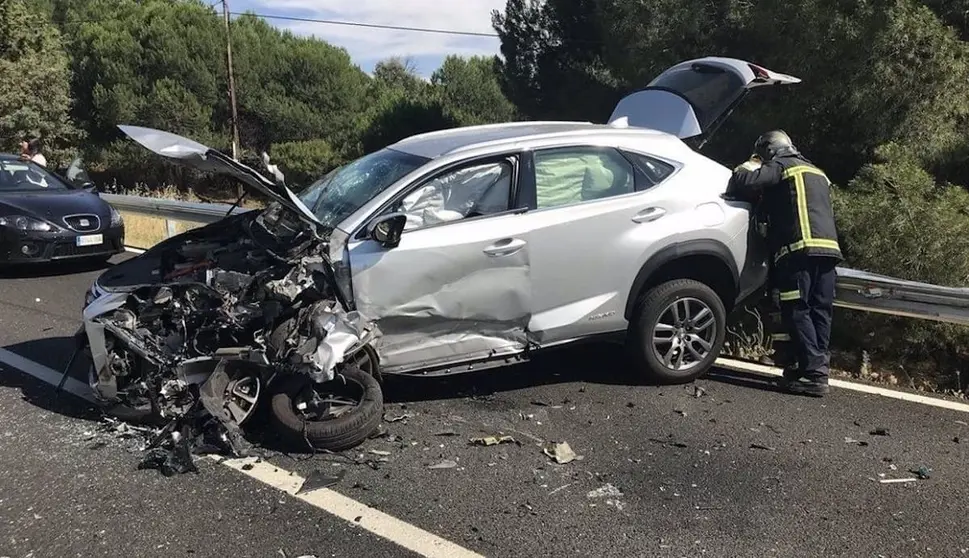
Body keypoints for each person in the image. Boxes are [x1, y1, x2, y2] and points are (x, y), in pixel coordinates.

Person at [726, 130, 842, 397]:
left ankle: (813, 374)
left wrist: (751, 163)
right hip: (828, 252)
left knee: (796, 309)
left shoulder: (782, 166)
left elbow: (744, 180)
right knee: (820, 312)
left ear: (769, 149)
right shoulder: (817, 172)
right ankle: (810, 368)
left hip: (798, 251)